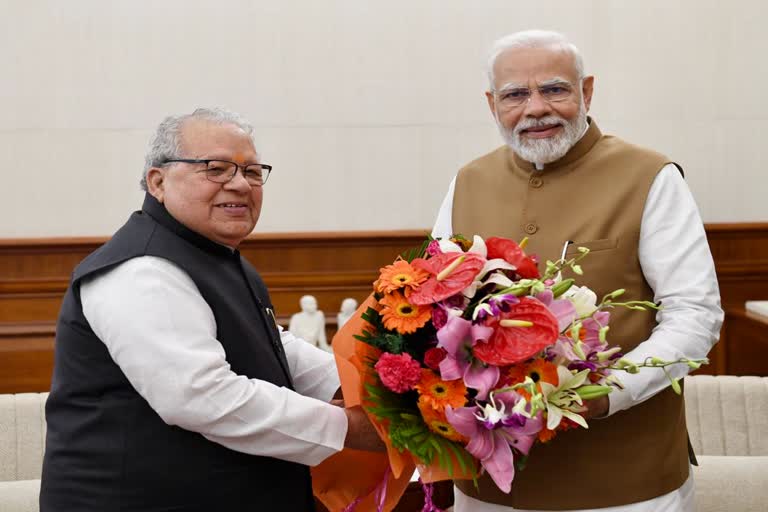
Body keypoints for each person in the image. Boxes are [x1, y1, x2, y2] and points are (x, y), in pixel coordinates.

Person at [432, 30, 723, 512]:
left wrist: (606, 394)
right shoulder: (468, 181)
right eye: (515, 95)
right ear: (492, 104)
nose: (535, 109)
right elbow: (435, 307)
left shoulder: (650, 176)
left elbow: (695, 315)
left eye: (554, 89)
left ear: (586, 91)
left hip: (626, 483)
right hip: (488, 488)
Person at [40, 108, 382, 511]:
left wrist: (371, 386)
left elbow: (270, 344)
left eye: (253, 172)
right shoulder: (142, 269)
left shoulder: (213, 254)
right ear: (158, 181)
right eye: (216, 168)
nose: (239, 184)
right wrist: (347, 427)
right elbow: (202, 396)